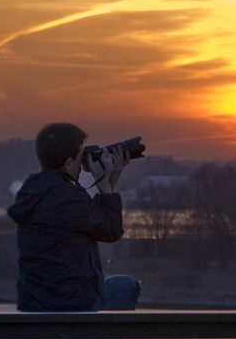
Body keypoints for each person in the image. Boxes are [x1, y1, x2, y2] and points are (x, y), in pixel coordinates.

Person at [8, 123, 140, 311]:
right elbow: (111, 231)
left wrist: (111, 180)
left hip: (36, 306)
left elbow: (89, 219)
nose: (83, 162)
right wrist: (103, 183)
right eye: (81, 156)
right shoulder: (68, 196)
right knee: (127, 286)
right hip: (73, 306)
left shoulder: (32, 191)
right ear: (69, 163)